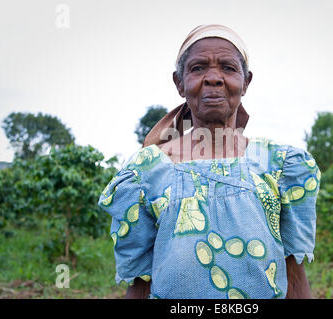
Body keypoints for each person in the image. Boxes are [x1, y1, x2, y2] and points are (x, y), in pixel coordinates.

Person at [98, 24, 320, 299]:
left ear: (246, 82)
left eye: (227, 68)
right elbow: (140, 284)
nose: (213, 78)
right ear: (180, 83)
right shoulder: (145, 172)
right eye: (198, 68)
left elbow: (294, 275)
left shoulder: (281, 166)